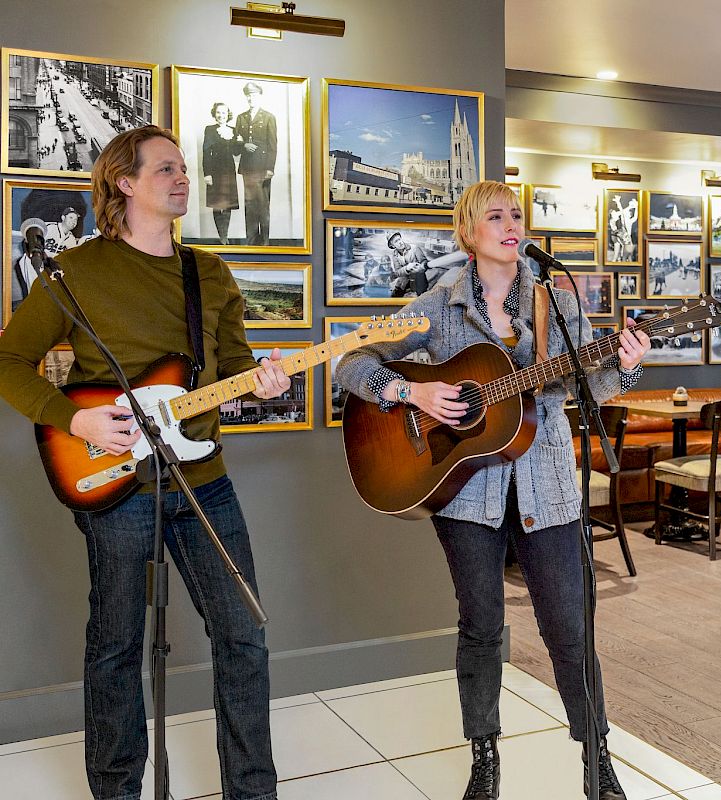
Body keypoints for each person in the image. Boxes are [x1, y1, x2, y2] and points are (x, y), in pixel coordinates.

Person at [335, 180, 650, 800]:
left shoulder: (556, 302)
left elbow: (592, 390)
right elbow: (350, 360)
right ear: (469, 233)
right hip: (466, 494)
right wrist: (413, 392)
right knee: (480, 624)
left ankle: (598, 761)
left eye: (517, 215)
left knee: (569, 627)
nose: (512, 224)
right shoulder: (437, 304)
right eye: (496, 216)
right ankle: (484, 758)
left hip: (550, 487)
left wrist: (628, 360)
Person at [0, 125, 288, 800]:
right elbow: (9, 362)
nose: (183, 177)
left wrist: (266, 380)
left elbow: (237, 367)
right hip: (116, 484)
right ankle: (117, 792)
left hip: (203, 482)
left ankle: (254, 791)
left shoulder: (209, 274)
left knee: (243, 637)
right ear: (124, 183)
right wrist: (75, 417)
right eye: (166, 169)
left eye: (184, 168)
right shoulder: (77, 271)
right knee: (116, 646)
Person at [234, 81, 277, 246]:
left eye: (254, 94)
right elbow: (236, 145)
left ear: (259, 96)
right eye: (248, 95)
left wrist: (270, 168)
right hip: (247, 168)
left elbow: (273, 144)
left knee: (263, 206)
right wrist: (243, 144)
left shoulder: (268, 117)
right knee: (250, 205)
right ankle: (251, 242)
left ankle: (265, 242)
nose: (251, 98)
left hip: (263, 168)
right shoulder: (241, 118)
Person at [202, 101, 240, 245]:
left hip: (229, 170)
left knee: (228, 204)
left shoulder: (233, 130)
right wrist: (207, 174)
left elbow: (236, 153)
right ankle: (222, 237)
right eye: (218, 112)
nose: (221, 115)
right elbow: (206, 152)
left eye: (223, 113)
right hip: (215, 170)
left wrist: (240, 142)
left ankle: (226, 235)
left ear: (227, 114)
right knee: (217, 204)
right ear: (214, 114)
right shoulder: (210, 129)